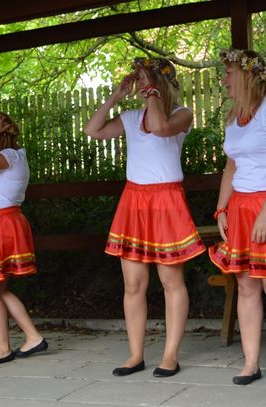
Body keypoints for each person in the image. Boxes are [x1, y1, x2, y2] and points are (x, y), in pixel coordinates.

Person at [84, 57, 205, 377]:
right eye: (139, 81)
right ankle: (135, 355)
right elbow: (92, 130)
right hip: (134, 201)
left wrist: (152, 88)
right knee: (134, 284)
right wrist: (116, 96)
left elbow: (161, 128)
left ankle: (170, 355)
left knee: (171, 281)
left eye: (144, 80)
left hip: (167, 200)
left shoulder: (182, 114)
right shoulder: (130, 117)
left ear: (160, 83)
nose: (140, 86)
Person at [0, 112, 48, 365]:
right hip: (0, 222)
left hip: (2, 223)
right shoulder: (7, 157)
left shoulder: (10, 156)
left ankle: (3, 347)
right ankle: (33, 337)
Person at [209, 49, 266, 385]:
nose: (224, 80)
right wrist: (221, 209)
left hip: (264, 205)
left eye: (229, 73)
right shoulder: (234, 119)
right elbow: (230, 168)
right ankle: (251, 363)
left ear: (247, 75)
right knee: (246, 285)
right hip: (240, 208)